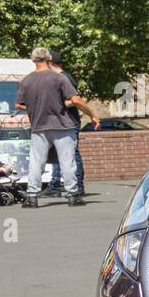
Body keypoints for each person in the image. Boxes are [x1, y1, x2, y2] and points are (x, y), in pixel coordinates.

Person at [14, 47, 96, 208]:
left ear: (32, 59)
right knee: (67, 161)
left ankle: (32, 196)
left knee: (36, 162)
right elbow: (76, 100)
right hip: (62, 125)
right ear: (49, 58)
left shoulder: (26, 81)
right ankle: (73, 195)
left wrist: (34, 108)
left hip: (38, 126)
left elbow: (18, 104)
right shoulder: (58, 78)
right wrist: (92, 115)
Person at [46, 49, 98, 194]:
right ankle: (55, 185)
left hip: (70, 121)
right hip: (60, 121)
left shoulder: (65, 78)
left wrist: (54, 105)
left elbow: (74, 100)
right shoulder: (56, 78)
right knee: (57, 153)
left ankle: (78, 186)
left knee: (73, 153)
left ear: (50, 63)